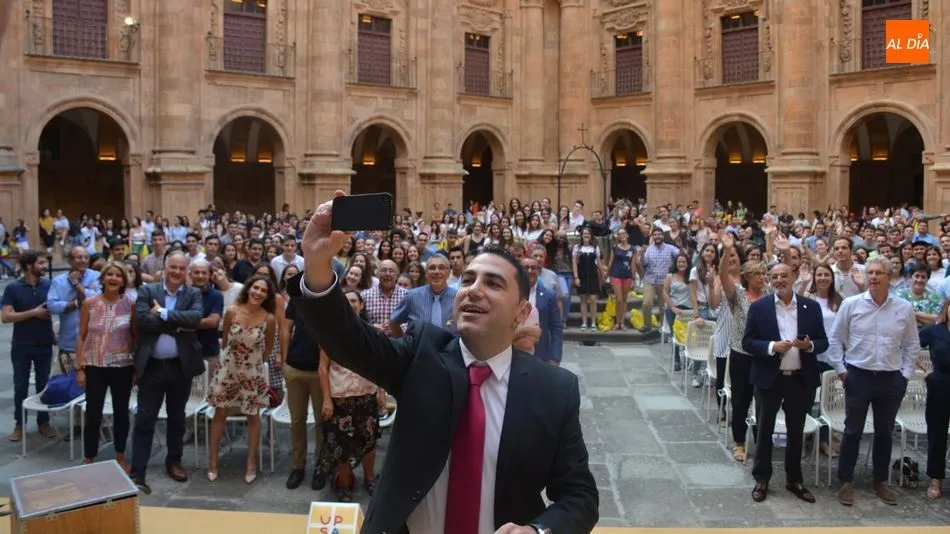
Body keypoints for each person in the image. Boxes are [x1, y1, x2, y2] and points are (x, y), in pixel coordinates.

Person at [289, 192, 598, 534]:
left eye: (493, 283)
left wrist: (538, 531)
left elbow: (579, 497)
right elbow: (348, 341)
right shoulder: (420, 356)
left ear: (522, 312)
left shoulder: (554, 391)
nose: (473, 290)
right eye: (467, 280)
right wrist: (317, 265)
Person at [825, 256, 918, 507]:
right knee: (852, 431)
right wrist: (842, 371)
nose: (874, 277)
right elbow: (835, 341)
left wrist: (905, 376)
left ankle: (880, 481)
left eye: (879, 273)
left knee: (885, 433)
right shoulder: (851, 305)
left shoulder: (903, 308)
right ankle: (846, 481)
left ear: (889, 277)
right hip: (859, 375)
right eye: (871, 273)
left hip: (891, 379)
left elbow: (911, 345)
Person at [742, 263, 828, 503]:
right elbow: (747, 342)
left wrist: (808, 345)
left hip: (800, 379)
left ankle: (794, 479)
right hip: (770, 379)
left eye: (784, 275)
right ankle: (762, 478)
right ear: (769, 279)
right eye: (774, 276)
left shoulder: (810, 307)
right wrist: (771, 347)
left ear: (794, 277)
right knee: (765, 429)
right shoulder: (759, 307)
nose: (780, 279)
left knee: (795, 431)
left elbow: (823, 341)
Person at [130, 251, 205, 494]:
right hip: (152, 367)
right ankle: (138, 471)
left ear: (187, 271)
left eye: (182, 268)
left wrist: (162, 313)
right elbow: (143, 320)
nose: (177, 272)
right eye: (173, 267)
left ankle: (174, 461)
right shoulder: (147, 291)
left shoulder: (193, 293)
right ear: (164, 267)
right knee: (144, 419)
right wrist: (177, 325)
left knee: (176, 418)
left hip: (180, 366)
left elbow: (195, 319)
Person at [206, 275, 276, 483]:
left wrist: (251, 364)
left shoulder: (268, 319)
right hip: (228, 370)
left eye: (263, 291)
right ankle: (212, 462)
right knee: (220, 413)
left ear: (267, 296)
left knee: (253, 416)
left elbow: (268, 348)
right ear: (249, 288)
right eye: (256, 288)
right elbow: (226, 339)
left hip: (251, 373)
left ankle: (251, 462)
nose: (258, 293)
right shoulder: (231, 311)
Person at [75, 261, 136, 470]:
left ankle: (120, 454)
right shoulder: (90, 303)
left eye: (118, 275)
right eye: (109, 275)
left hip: (122, 366)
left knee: (121, 412)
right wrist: (80, 367)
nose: (113, 278)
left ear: (123, 281)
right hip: (95, 365)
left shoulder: (130, 304)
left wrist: (136, 368)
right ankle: (89, 456)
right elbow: (81, 336)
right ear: (102, 279)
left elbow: (135, 336)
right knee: (93, 412)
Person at [1, 250, 56, 442]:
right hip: (21, 344)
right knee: (20, 385)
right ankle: (19, 424)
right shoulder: (13, 288)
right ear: (29, 266)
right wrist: (33, 313)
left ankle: (44, 422)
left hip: (44, 343)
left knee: (43, 385)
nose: (44, 266)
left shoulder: (49, 285)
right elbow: (6, 317)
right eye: (40, 263)